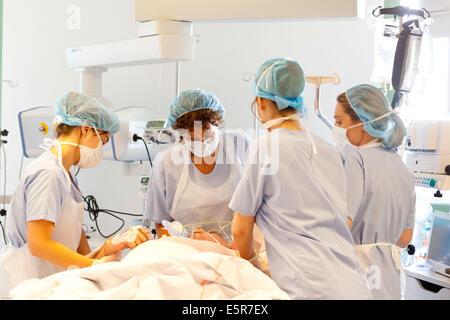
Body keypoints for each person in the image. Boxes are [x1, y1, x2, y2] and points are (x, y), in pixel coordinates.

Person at [229, 58, 372, 299]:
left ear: (261, 102)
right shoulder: (328, 149)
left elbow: (241, 231)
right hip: (353, 284)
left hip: (310, 287)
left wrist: (255, 268)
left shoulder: (266, 147)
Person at [0, 92, 150, 297]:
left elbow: (79, 254)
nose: (100, 150)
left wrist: (110, 246)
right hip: (26, 280)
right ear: (86, 130)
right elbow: (39, 245)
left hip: (51, 279)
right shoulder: (49, 174)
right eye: (103, 141)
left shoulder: (66, 176)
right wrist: (95, 265)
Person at [332, 84, 415, 299]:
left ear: (364, 123)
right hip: (391, 279)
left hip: (359, 273)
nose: (336, 127)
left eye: (340, 122)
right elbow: (405, 238)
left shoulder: (356, 158)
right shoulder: (403, 168)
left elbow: (343, 224)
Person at [144, 89, 250, 247]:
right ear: (181, 136)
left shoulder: (241, 146)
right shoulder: (167, 163)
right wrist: (185, 250)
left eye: (208, 135)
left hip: (238, 250)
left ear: (217, 124)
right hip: (189, 253)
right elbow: (161, 223)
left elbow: (260, 210)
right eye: (193, 139)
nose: (202, 143)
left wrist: (232, 248)